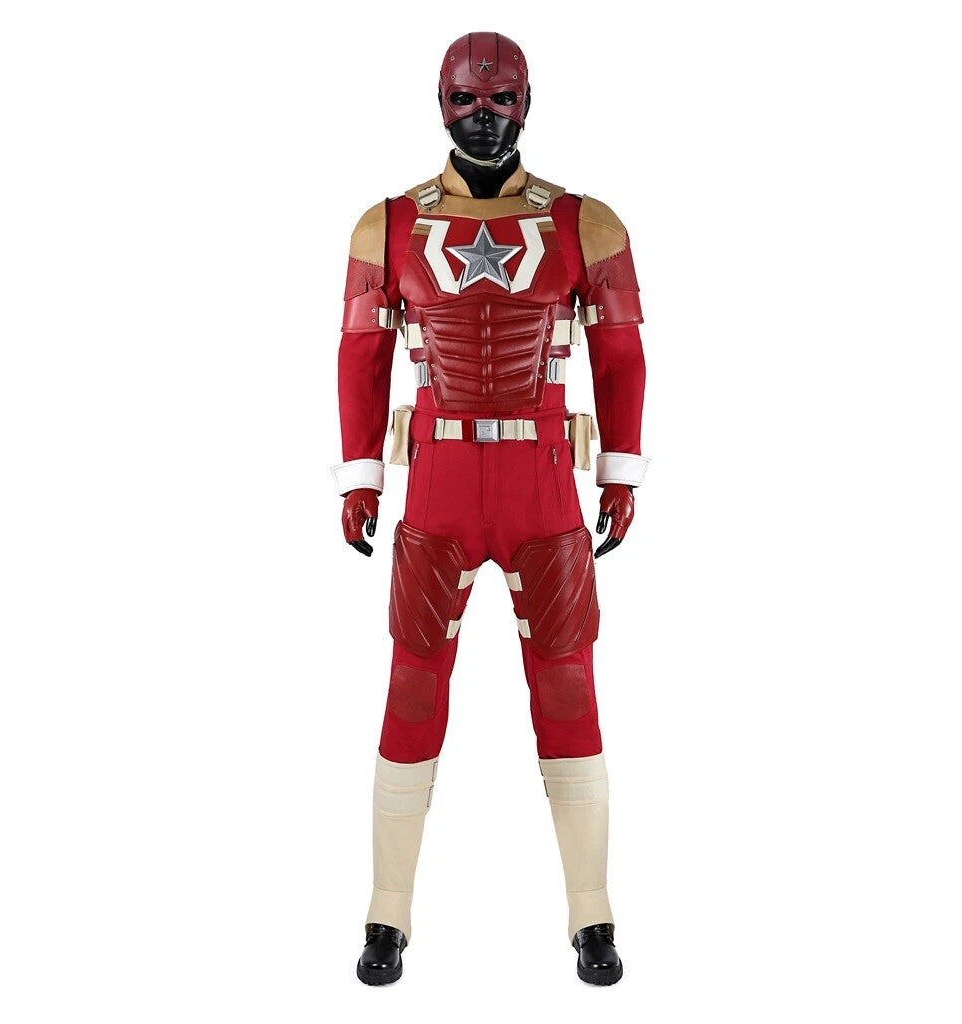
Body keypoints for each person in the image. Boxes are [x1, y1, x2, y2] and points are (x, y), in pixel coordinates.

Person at [331, 31, 648, 986]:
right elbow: (360, 356)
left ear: (527, 102)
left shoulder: (588, 224)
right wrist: (359, 477)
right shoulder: (385, 226)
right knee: (412, 687)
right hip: (437, 486)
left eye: (500, 98)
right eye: (467, 99)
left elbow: (622, 353)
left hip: (544, 485)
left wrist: (621, 471)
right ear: (441, 103)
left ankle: (592, 915)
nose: (484, 116)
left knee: (568, 687)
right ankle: (387, 915)